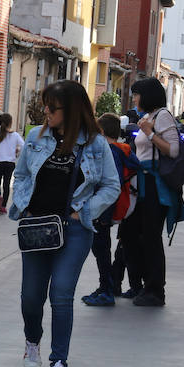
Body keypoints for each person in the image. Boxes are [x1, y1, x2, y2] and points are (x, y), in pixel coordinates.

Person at [9, 80, 119, 367]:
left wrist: (83, 212)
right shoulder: (35, 137)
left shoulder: (95, 144)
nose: (45, 111)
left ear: (70, 111)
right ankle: (33, 341)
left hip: (73, 232)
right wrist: (23, 204)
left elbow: (111, 186)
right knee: (31, 298)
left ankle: (59, 363)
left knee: (61, 294)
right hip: (36, 227)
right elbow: (20, 175)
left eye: (52, 107)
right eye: (45, 105)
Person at [120, 78, 184, 307]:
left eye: (137, 94)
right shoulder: (148, 117)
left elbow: (173, 149)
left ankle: (155, 290)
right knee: (131, 235)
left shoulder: (162, 116)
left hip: (154, 186)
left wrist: (149, 134)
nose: (134, 99)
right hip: (141, 184)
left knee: (150, 237)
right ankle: (140, 285)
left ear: (147, 95)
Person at [81, 113, 139, 307]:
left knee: (101, 251)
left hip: (103, 211)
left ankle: (106, 290)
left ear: (102, 131)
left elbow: (108, 184)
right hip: (109, 210)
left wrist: (102, 214)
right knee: (102, 251)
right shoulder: (123, 150)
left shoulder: (110, 152)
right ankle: (105, 286)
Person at [0, 113, 25, 214]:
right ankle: (4, 206)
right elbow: (24, 146)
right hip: (10, 163)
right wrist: (17, 150)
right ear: (10, 123)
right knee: (6, 184)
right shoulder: (15, 135)